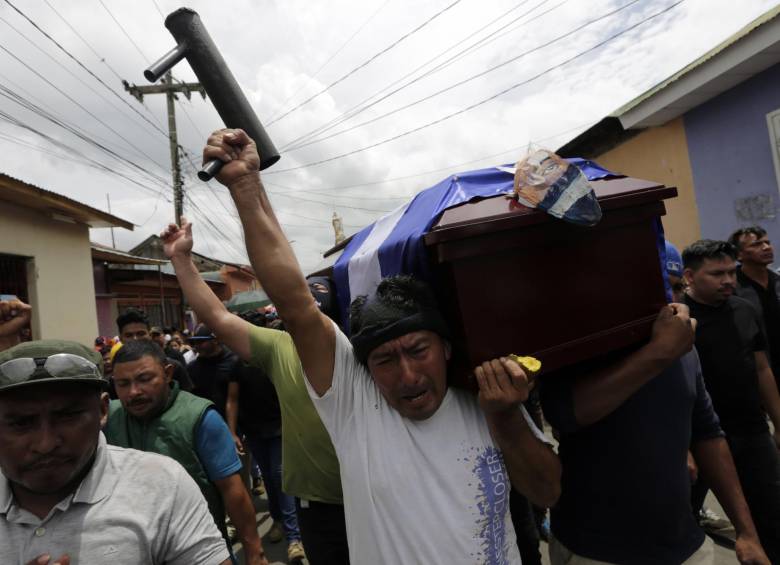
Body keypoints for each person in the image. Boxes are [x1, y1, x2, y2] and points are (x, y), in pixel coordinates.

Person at [199, 128, 561, 563]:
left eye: (418, 350)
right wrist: (245, 185)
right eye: (385, 359)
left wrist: (505, 417)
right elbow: (296, 304)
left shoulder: (489, 395)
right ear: (364, 367)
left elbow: (548, 491)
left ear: (446, 348)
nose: (407, 375)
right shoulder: (357, 406)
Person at [163, 220, 346, 565]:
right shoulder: (278, 347)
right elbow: (217, 317)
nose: (307, 329)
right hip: (315, 505)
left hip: (373, 496)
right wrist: (181, 260)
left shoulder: (358, 351)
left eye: (318, 318)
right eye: (299, 319)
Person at [0, 339, 231, 565]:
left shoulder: (163, 485)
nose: (46, 443)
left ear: (102, 411)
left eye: (67, 416)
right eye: (21, 423)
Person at [105, 340, 268, 565]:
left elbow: (233, 490)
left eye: (144, 379)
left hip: (201, 552)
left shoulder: (199, 418)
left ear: (168, 373)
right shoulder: (108, 419)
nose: (134, 392)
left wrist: (254, 552)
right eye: (123, 384)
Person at [683, 239, 780, 561]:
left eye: (730, 272)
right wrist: (683, 448)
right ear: (689, 276)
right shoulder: (677, 320)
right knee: (684, 517)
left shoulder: (745, 309)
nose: (727, 280)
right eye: (716, 274)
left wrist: (779, 423)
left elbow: (762, 368)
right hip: (699, 437)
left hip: (751, 429)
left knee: (770, 514)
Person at [729, 226, 780, 387]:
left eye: (767, 242)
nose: (766, 247)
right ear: (739, 254)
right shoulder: (732, 289)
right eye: (756, 244)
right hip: (758, 370)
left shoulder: (777, 281)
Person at [116, 308, 193, 391]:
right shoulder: (117, 373)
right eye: (129, 335)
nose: (135, 339)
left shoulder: (174, 367)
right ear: (121, 339)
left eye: (140, 334)